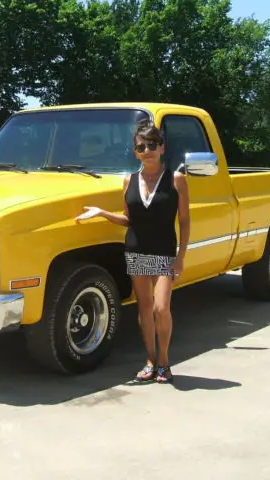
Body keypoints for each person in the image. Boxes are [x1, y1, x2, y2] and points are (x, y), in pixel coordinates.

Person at [75, 119, 190, 384]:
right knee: (144, 308)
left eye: (152, 145)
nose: (147, 150)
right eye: (141, 146)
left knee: (161, 308)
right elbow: (130, 220)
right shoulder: (129, 180)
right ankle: (150, 361)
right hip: (136, 251)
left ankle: (164, 362)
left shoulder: (176, 179)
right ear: (135, 151)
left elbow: (184, 221)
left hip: (163, 254)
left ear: (162, 147)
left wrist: (181, 257)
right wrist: (102, 213)